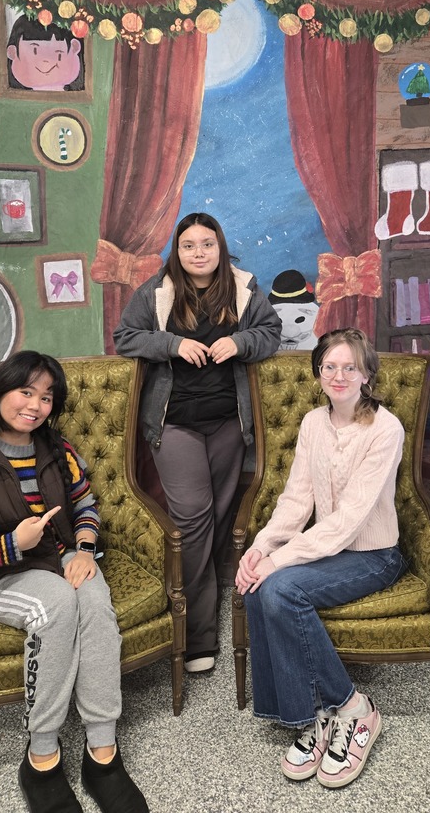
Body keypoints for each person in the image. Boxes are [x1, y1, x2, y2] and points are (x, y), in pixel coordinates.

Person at [0, 351, 148, 813]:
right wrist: (10, 544)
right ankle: (41, 756)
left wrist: (84, 548)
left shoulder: (57, 449)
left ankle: (102, 752)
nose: (36, 405)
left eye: (46, 397)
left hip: (63, 559)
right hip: (2, 575)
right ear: (0, 391)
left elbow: (85, 505)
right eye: (26, 391)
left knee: (95, 606)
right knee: (57, 605)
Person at [235, 328, 407, 789]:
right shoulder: (313, 423)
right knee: (257, 586)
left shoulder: (385, 429)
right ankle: (312, 718)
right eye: (329, 366)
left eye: (350, 367)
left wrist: (280, 562)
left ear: (367, 374)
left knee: (281, 589)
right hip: (328, 549)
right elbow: (297, 499)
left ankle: (355, 708)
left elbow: (349, 520)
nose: (339, 375)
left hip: (373, 554)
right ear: (317, 374)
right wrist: (261, 549)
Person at [113, 212, 282, 673]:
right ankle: (195, 635)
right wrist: (171, 344)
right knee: (192, 519)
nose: (199, 253)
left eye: (207, 244)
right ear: (178, 251)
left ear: (220, 247)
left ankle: (202, 608)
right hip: (175, 424)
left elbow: (271, 334)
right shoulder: (157, 291)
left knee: (219, 519)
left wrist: (241, 342)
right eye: (188, 245)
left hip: (229, 424)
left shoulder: (244, 288)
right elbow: (125, 338)